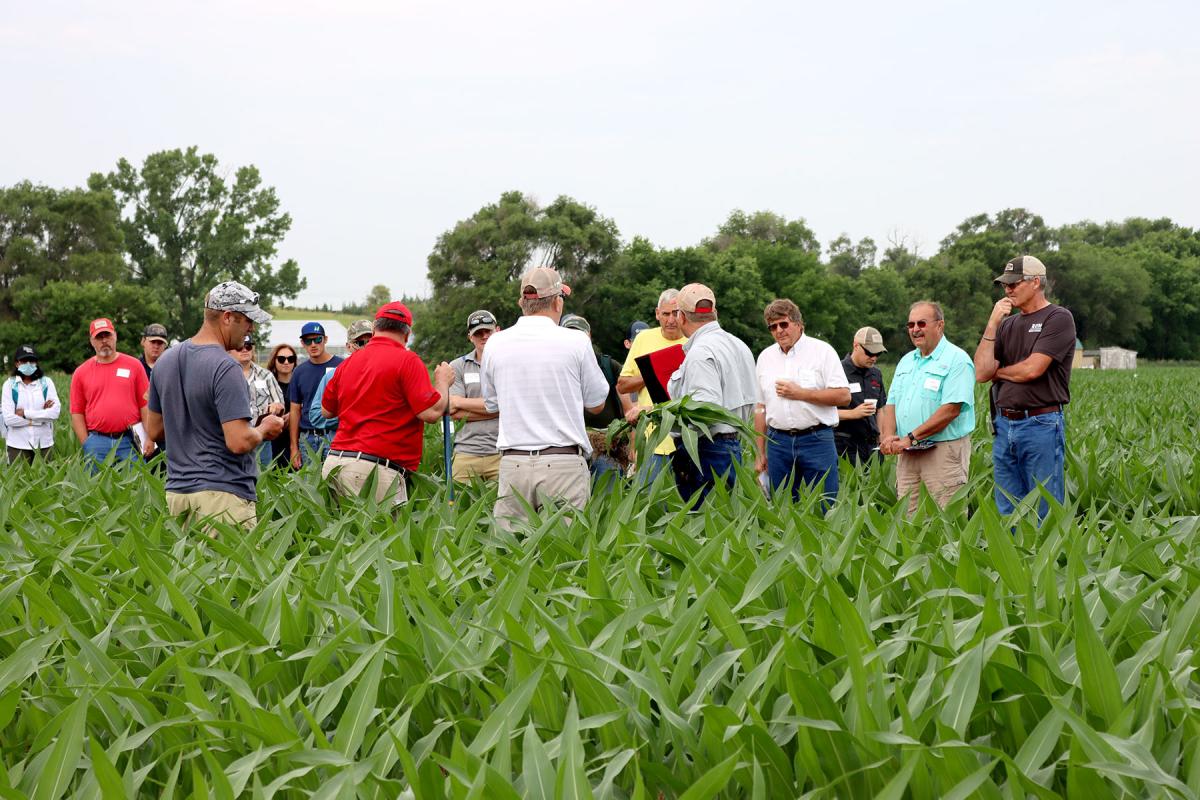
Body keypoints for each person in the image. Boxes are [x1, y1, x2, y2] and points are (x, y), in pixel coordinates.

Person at [145, 281, 285, 530]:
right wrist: (265, 429)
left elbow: (154, 431)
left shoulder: (165, 361)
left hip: (178, 494)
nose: (251, 328)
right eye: (247, 320)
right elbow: (239, 441)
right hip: (222, 496)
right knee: (232, 569)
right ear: (228, 317)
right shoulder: (226, 367)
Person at [479, 267, 609, 529]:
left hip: (514, 462)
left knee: (512, 557)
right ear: (558, 301)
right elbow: (596, 404)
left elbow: (492, 404)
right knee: (562, 556)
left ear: (521, 302)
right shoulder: (576, 341)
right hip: (563, 462)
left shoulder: (495, 343)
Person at [320, 302, 454, 507]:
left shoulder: (347, 363)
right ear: (407, 335)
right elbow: (431, 412)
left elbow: (326, 411)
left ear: (375, 329)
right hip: (375, 469)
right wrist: (443, 382)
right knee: (386, 536)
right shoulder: (407, 360)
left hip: (335, 463)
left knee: (347, 537)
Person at [974, 255, 1076, 519]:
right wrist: (992, 323)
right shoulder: (1007, 325)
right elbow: (982, 372)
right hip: (1004, 424)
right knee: (1007, 508)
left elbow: (1032, 369)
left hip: (1040, 424)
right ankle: (1014, 558)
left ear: (1035, 283)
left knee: (1045, 507)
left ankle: (1048, 559)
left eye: (1014, 283)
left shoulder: (1058, 318)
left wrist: (1000, 372)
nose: (1007, 289)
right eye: (1005, 285)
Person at [879, 301, 976, 515]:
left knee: (948, 518)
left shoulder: (957, 360)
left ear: (940, 325)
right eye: (910, 324)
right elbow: (891, 403)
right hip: (908, 454)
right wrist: (887, 436)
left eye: (921, 323)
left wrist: (911, 437)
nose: (915, 329)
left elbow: (951, 410)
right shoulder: (906, 361)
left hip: (942, 452)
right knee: (909, 519)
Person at [666, 283, 757, 506]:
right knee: (726, 527)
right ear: (713, 313)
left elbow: (704, 411)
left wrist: (660, 414)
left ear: (681, 317)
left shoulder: (700, 353)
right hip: (732, 446)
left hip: (705, 452)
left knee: (703, 530)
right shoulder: (739, 346)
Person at [753, 299, 850, 506]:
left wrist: (801, 394)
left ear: (798, 324)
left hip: (816, 439)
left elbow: (843, 396)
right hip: (778, 442)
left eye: (783, 324)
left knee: (826, 504)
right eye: (773, 327)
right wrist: (760, 452)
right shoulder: (765, 358)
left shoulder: (822, 352)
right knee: (782, 507)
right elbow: (760, 408)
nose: (779, 331)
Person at [617, 290, 688, 481]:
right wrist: (653, 373)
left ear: (684, 314)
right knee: (649, 505)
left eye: (676, 313)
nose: (671, 320)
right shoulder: (643, 339)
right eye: (666, 314)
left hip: (688, 442)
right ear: (657, 314)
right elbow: (622, 386)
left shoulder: (694, 342)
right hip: (651, 442)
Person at [70, 318, 152, 469]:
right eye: (99, 337)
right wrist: (86, 443)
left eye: (107, 335)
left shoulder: (134, 366)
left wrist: (149, 437)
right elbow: (77, 412)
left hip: (130, 440)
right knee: (96, 489)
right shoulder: (81, 372)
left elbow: (145, 405)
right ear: (91, 341)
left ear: (115, 336)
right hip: (97, 441)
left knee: (136, 485)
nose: (104, 341)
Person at [560, 313, 633, 481]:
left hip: (606, 446)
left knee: (607, 501)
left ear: (589, 336)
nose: (575, 339)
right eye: (570, 334)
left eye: (580, 334)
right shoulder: (554, 368)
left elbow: (628, 404)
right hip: (569, 445)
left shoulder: (608, 365)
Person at [448, 310, 502, 482]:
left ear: (498, 331)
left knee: (505, 508)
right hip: (466, 452)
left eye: (488, 331)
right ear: (470, 337)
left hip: (502, 452)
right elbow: (453, 411)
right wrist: (498, 409)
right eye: (478, 333)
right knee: (460, 509)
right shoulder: (457, 366)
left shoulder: (508, 363)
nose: (484, 336)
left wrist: (461, 401)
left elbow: (511, 404)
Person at [288, 322, 342, 468]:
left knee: (335, 483)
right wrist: (294, 447)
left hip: (334, 434)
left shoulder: (341, 366)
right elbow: (295, 410)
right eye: (308, 341)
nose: (313, 344)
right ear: (302, 343)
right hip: (308, 437)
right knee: (310, 485)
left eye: (317, 339)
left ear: (325, 339)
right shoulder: (299, 372)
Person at [306, 319, 372, 434]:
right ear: (348, 346)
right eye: (360, 343)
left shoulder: (386, 373)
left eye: (371, 342)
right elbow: (315, 416)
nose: (366, 347)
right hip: (343, 447)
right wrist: (349, 416)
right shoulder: (334, 375)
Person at [230, 334, 285, 469]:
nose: (245, 350)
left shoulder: (266, 375)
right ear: (230, 350)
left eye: (248, 346)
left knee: (263, 483)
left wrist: (276, 407)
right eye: (240, 347)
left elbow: (280, 403)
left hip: (261, 440)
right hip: (233, 440)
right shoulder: (224, 375)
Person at [836, 326, 889, 463]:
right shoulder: (837, 371)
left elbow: (880, 409)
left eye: (878, 354)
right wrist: (853, 413)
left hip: (872, 447)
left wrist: (882, 436)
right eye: (870, 353)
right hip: (845, 446)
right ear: (856, 346)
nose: (874, 358)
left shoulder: (876, 374)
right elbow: (822, 412)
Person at [2, 345, 60, 463]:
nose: (28, 364)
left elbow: (54, 413)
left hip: (44, 444)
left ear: (36, 363)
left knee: (47, 480)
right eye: (24, 361)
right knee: (18, 480)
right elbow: (8, 419)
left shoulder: (46, 383)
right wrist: (40, 419)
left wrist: (25, 413)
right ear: (17, 363)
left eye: (32, 360)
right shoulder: (9, 385)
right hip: (17, 445)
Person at [265, 343, 298, 467]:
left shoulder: (299, 383)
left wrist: (294, 415)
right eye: (281, 359)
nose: (286, 362)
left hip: (295, 440)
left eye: (290, 359)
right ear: (274, 361)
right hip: (272, 440)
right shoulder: (267, 384)